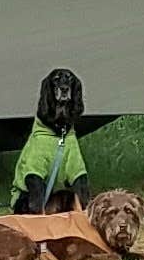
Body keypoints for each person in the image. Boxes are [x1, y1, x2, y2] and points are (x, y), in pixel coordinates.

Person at [12, 66, 89, 214]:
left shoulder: (70, 141)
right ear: (50, 90)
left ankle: (84, 218)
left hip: (57, 200)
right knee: (33, 185)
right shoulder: (39, 140)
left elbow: (78, 176)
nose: (64, 85)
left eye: (68, 80)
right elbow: (32, 176)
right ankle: (38, 219)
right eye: (57, 81)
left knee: (79, 183)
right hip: (28, 201)